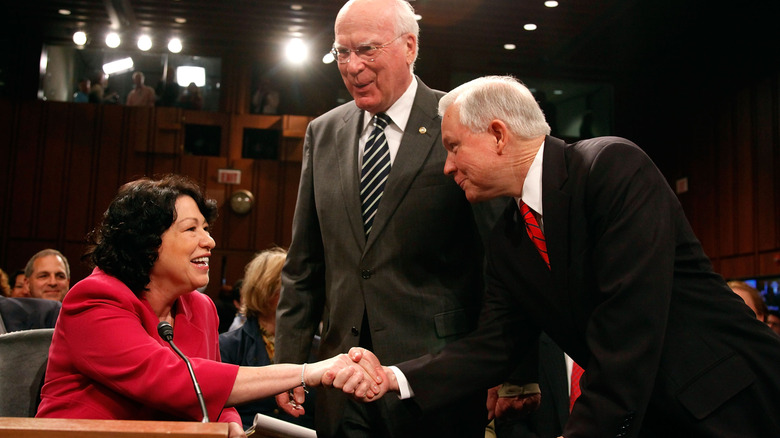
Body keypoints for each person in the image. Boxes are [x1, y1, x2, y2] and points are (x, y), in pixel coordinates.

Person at [328, 75, 780, 437]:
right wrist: (393, 377)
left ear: (499, 135)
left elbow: (629, 329)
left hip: (734, 404)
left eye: (453, 146)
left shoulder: (612, 168)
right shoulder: (508, 236)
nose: (447, 166)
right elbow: (495, 345)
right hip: (651, 414)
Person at [274, 0, 489, 436]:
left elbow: (500, 259)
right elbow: (304, 265)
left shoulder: (459, 120)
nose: (352, 66)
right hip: (341, 379)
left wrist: (515, 371)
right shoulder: (324, 132)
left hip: (436, 378)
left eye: (367, 50)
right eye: (342, 53)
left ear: (409, 46)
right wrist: (289, 366)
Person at [35, 175, 380, 438]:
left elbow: (215, 398)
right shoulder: (94, 298)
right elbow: (175, 381)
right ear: (146, 242)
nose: (210, 241)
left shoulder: (201, 308)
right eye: (191, 229)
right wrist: (306, 371)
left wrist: (228, 423)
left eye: (206, 228)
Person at [220, 247, 316, 429]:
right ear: (266, 289)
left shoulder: (319, 347)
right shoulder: (227, 346)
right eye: (291, 285)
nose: (300, 293)